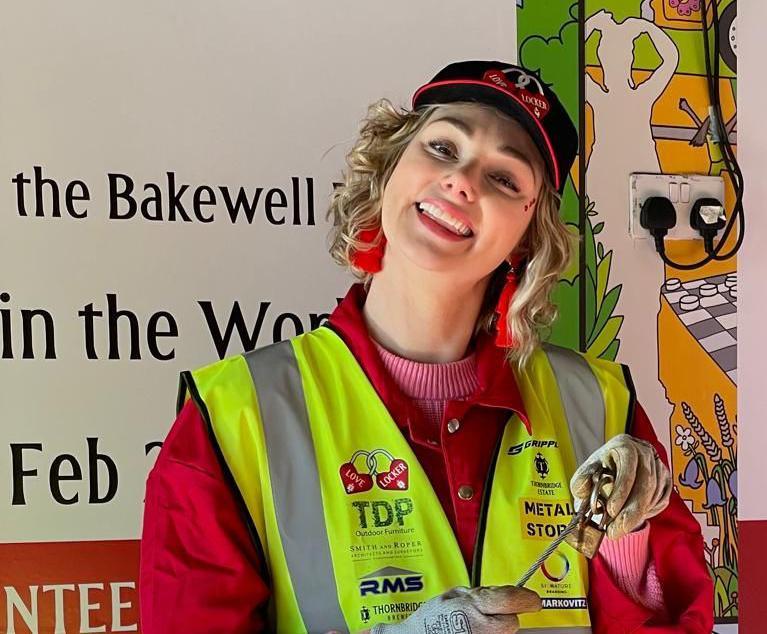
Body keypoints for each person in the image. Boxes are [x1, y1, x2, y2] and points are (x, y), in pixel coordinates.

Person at [139, 60, 713, 633]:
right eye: (442, 147)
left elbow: (675, 619)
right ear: (387, 169)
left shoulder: (601, 407)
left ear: (526, 236)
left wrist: (629, 551)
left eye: (505, 179)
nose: (462, 180)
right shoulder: (233, 417)